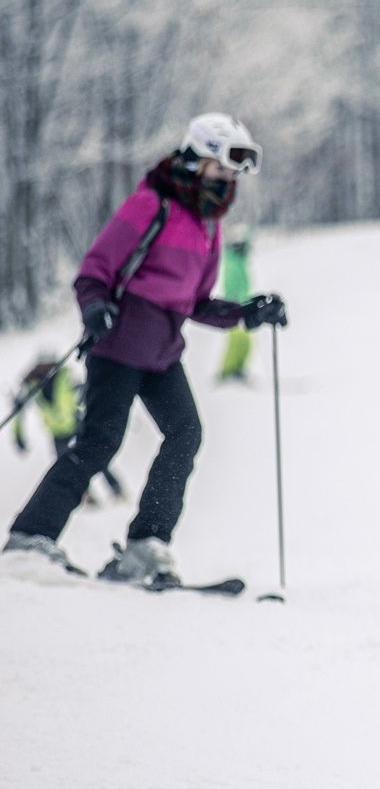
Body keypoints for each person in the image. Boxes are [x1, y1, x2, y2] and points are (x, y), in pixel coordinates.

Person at [3, 113, 287, 583]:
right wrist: (95, 307)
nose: (231, 178)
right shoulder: (151, 205)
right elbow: (94, 270)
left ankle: (145, 546)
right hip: (117, 345)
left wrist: (247, 313)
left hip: (161, 353)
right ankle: (30, 538)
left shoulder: (208, 224)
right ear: (199, 159)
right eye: (225, 166)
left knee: (185, 434)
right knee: (99, 441)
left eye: (237, 171)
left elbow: (196, 302)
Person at [11, 356, 124, 504]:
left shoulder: (65, 377)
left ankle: (116, 488)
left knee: (94, 455)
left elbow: (86, 390)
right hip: (57, 432)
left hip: (76, 425)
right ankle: (86, 495)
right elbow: (19, 411)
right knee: (65, 465)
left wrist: (104, 411)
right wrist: (18, 435)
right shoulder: (33, 387)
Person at [215, 229, 254, 383]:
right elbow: (231, 286)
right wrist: (236, 304)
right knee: (236, 340)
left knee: (245, 341)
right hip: (234, 307)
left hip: (242, 305)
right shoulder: (232, 263)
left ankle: (238, 367)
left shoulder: (239, 262)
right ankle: (227, 371)